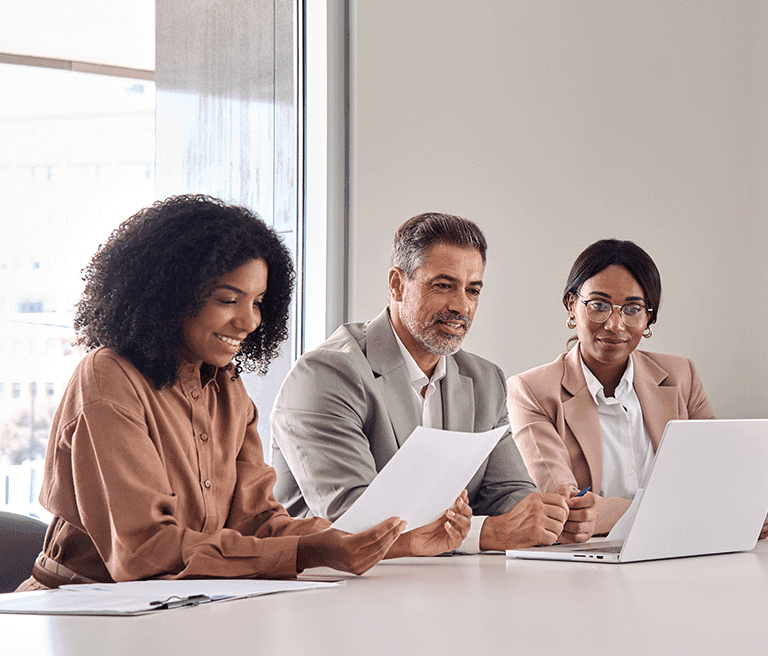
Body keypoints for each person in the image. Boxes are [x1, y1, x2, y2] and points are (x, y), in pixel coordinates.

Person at [18, 195, 467, 591]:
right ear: (171, 294)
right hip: (78, 614)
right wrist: (310, 553)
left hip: (183, 609)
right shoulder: (108, 378)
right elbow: (144, 551)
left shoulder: (228, 386)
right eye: (228, 300)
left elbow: (260, 523)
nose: (250, 322)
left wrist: (390, 542)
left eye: (257, 303)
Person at [271, 212, 596, 552]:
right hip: (332, 589)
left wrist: (551, 518)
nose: (461, 306)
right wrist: (485, 535)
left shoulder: (485, 380)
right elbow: (355, 521)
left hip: (441, 585)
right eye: (443, 286)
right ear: (397, 285)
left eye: (473, 290)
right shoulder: (325, 375)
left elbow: (508, 492)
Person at [507, 238, 720, 536]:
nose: (615, 324)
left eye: (632, 309)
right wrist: (689, 510)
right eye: (598, 305)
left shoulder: (681, 376)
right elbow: (568, 511)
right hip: (589, 566)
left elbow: (719, 481)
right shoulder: (532, 392)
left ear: (648, 318)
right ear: (572, 306)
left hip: (680, 551)